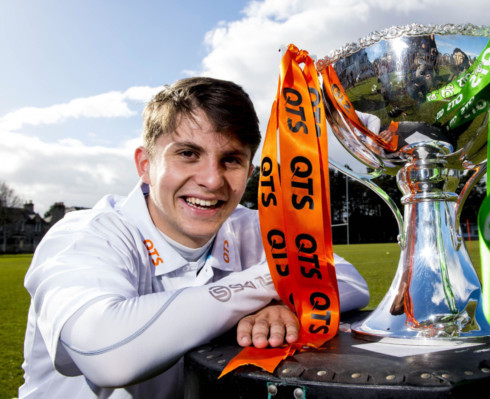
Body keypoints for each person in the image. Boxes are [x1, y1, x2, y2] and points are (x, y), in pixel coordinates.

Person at [19, 77, 370, 398]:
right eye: (188, 154)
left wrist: (280, 304)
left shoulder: (249, 225)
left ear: (249, 173)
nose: (212, 180)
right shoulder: (86, 234)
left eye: (230, 160)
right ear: (145, 164)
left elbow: (349, 280)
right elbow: (106, 353)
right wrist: (277, 284)